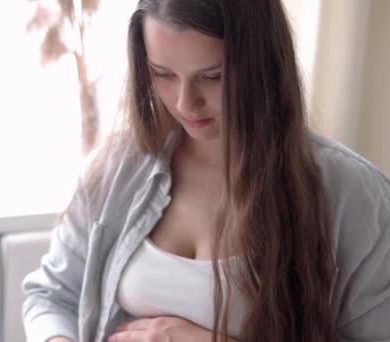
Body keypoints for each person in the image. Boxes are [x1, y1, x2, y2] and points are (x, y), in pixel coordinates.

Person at [22, 0, 390, 341]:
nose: (185, 103)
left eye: (212, 76)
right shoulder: (119, 167)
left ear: (263, 64)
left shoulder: (354, 195)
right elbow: (52, 295)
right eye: (162, 73)